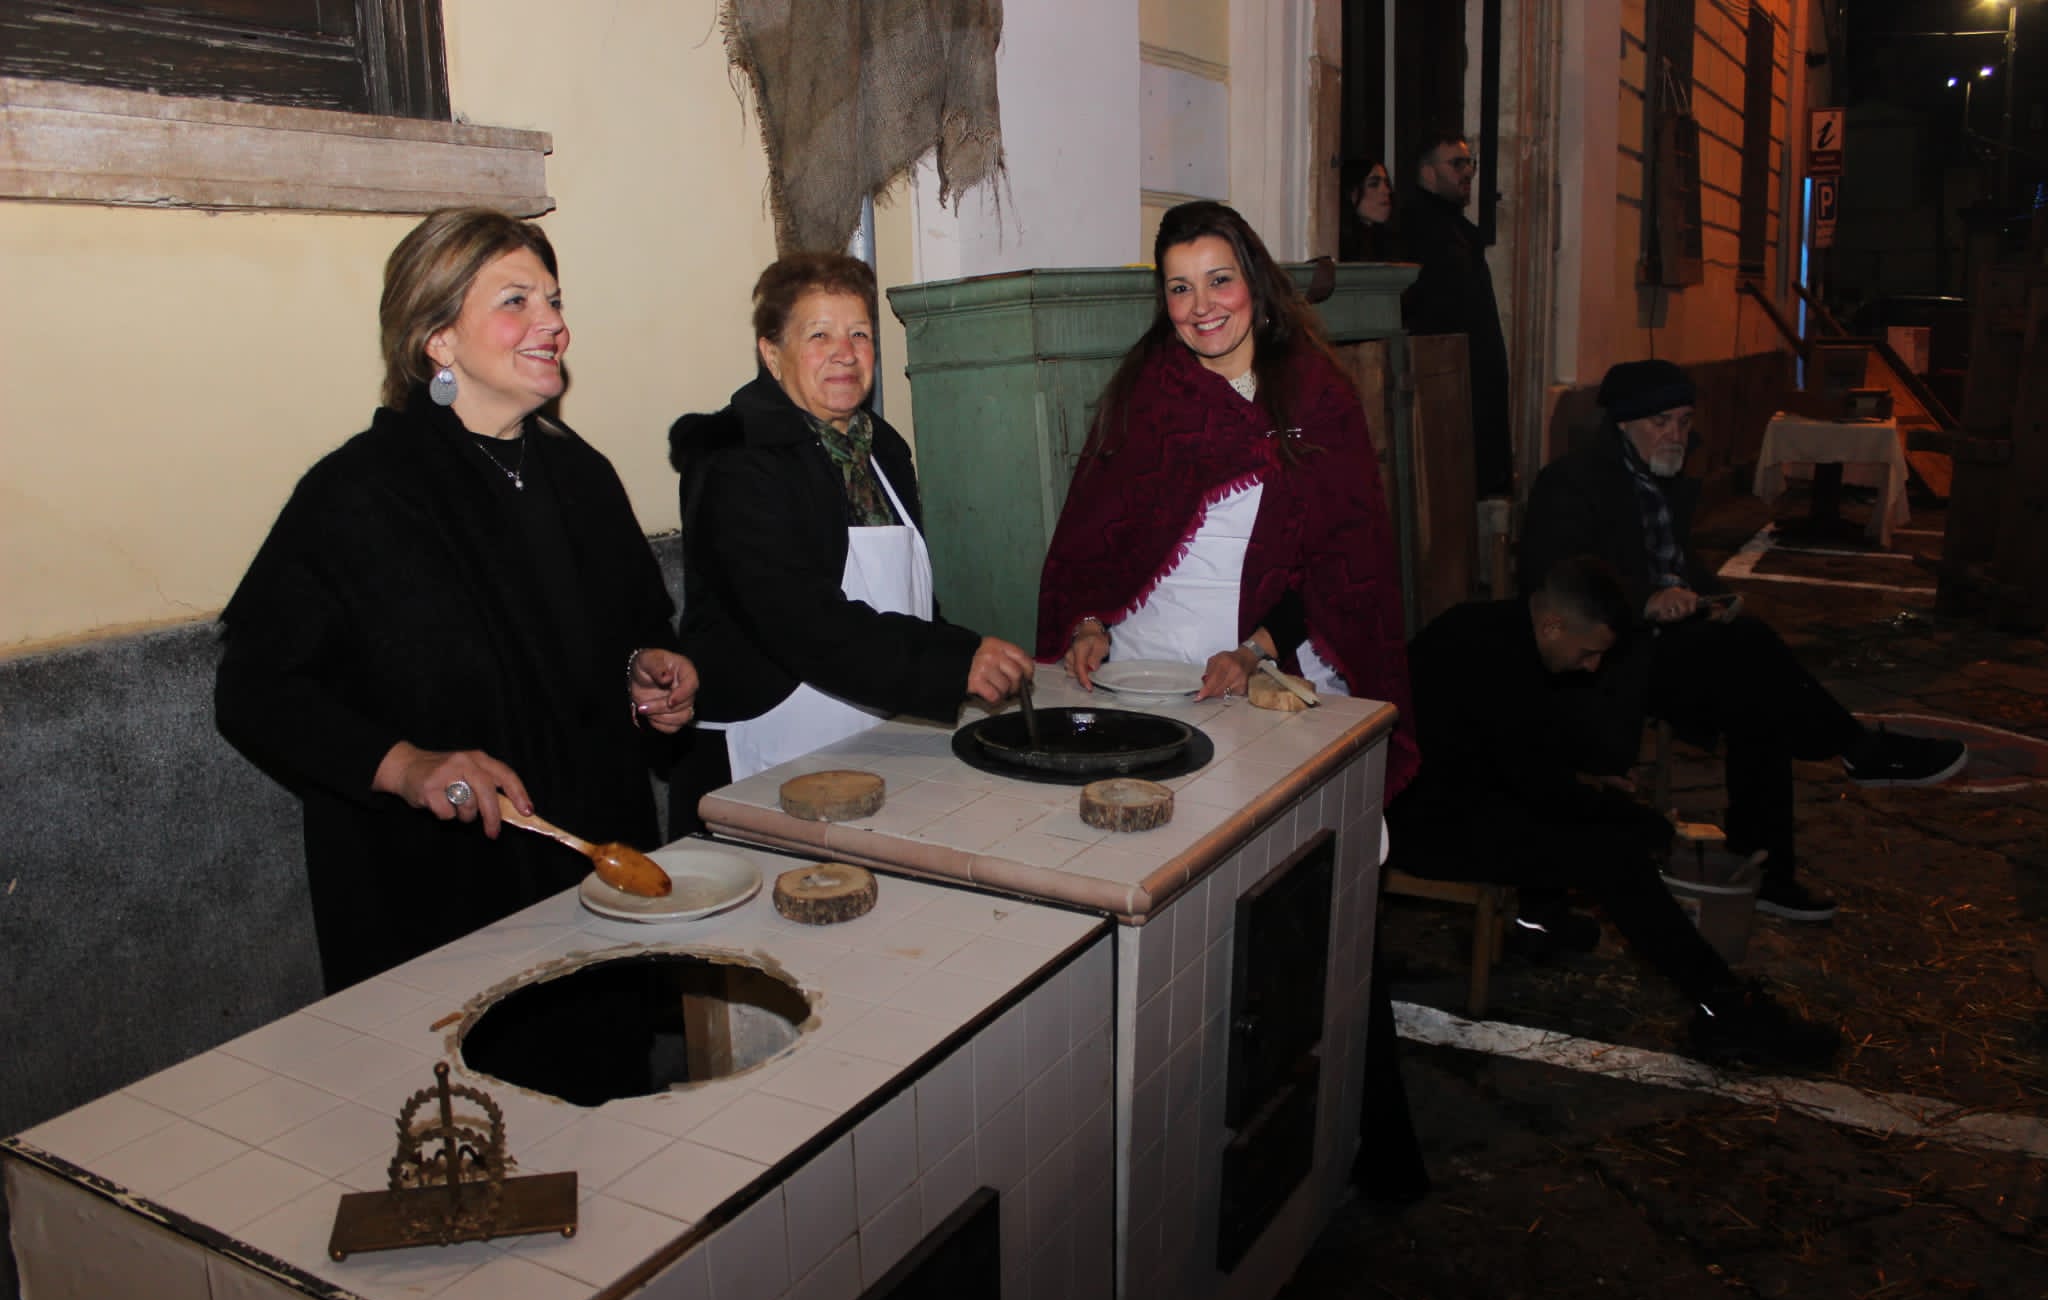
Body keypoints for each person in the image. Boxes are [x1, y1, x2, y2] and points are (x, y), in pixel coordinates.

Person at [216, 208, 698, 994]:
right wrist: (406, 764)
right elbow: (255, 690)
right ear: (437, 339)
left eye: (555, 301)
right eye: (516, 302)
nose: (553, 324)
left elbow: (629, 631)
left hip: (591, 883)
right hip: (439, 904)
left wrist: (645, 673)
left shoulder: (582, 476)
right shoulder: (357, 493)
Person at [1518, 359, 1968, 924]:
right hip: (1602, 656)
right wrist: (1644, 601)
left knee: (1758, 691)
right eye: (1660, 422)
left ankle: (1771, 872)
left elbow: (1676, 561)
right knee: (1752, 661)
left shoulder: (1659, 479)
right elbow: (1554, 580)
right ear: (1623, 424)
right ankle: (1856, 754)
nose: (1675, 435)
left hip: (1663, 647)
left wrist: (1712, 595)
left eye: (1684, 421)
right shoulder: (1571, 482)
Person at [1388, 556, 1841, 1069]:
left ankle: (1541, 924)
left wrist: (1593, 775)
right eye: (1588, 653)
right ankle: (1727, 1010)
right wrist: (1629, 817)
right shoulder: (1489, 655)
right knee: (1612, 855)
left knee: (1593, 828)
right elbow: (1536, 784)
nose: (1592, 667)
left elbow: (1535, 742)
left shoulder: (1504, 629)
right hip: (1422, 821)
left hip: (1464, 793)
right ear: (1553, 625)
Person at [1034, 199, 1418, 796]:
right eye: (1180, 289)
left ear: (1254, 283)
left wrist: (1252, 653)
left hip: (1271, 658)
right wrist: (1087, 627)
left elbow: (1344, 563)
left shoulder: (1318, 398)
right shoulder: (1145, 395)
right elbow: (1090, 540)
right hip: (1144, 666)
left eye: (1219, 281)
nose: (1201, 306)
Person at [668, 253, 1034, 834]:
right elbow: (799, 620)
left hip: (876, 731)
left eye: (860, 334)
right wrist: (951, 661)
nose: (845, 352)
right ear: (771, 354)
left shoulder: (881, 448)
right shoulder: (737, 461)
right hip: (767, 747)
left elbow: (910, 601)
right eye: (819, 335)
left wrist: (963, 652)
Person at [1401, 131, 1514, 498]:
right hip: (1441, 378)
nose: (1467, 172)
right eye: (1457, 164)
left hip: (1471, 374)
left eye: (1470, 164)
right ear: (1428, 172)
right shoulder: (1415, 228)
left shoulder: (1462, 231)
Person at [1340, 158, 1399, 263]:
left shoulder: (1392, 242)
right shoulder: (1337, 247)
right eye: (1373, 184)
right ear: (1352, 193)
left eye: (1387, 183)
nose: (1386, 190)